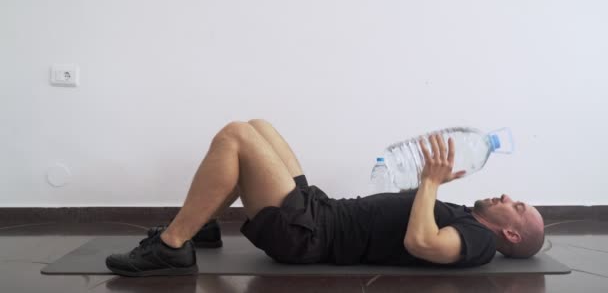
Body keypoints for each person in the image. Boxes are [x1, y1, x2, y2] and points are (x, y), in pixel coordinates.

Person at [105, 119, 545, 277]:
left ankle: (172, 248)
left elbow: (421, 244)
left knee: (236, 137)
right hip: (321, 211)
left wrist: (429, 183)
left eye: (518, 205)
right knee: (259, 126)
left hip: (310, 235)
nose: (510, 196)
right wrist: (431, 185)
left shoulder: (481, 242)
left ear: (509, 231)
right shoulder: (466, 216)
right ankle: (201, 225)